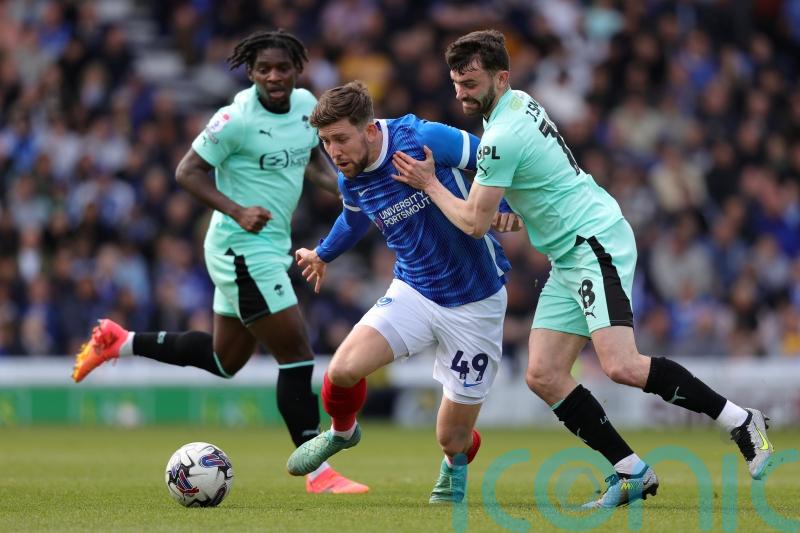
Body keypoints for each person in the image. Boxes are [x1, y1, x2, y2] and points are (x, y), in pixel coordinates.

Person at [392, 30, 773, 508]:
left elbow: (473, 222)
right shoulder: (518, 104)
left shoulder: (501, 135)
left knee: (621, 365)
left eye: (470, 83)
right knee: (544, 373)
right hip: (567, 252)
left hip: (594, 242)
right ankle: (631, 471)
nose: (461, 94)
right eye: (455, 83)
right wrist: (516, 208)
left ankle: (740, 420)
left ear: (501, 78)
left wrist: (429, 182)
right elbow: (531, 182)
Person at [71, 29, 367, 495]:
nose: (274, 76)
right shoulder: (235, 119)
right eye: (264, 68)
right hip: (240, 248)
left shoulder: (308, 106)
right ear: (250, 72)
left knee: (224, 359)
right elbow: (185, 171)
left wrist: (347, 189)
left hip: (268, 246)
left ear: (296, 71)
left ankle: (119, 341)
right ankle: (318, 472)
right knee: (296, 352)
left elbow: (308, 165)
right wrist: (237, 209)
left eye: (283, 68)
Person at [284, 81, 521, 503]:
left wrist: (502, 206)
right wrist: (323, 254)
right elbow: (355, 217)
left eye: (341, 139)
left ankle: (454, 464)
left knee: (451, 437)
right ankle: (343, 432)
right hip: (414, 290)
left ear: (370, 129)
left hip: (476, 300)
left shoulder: (422, 137)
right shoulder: (350, 176)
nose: (333, 152)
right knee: (341, 371)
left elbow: (494, 157)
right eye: (325, 142)